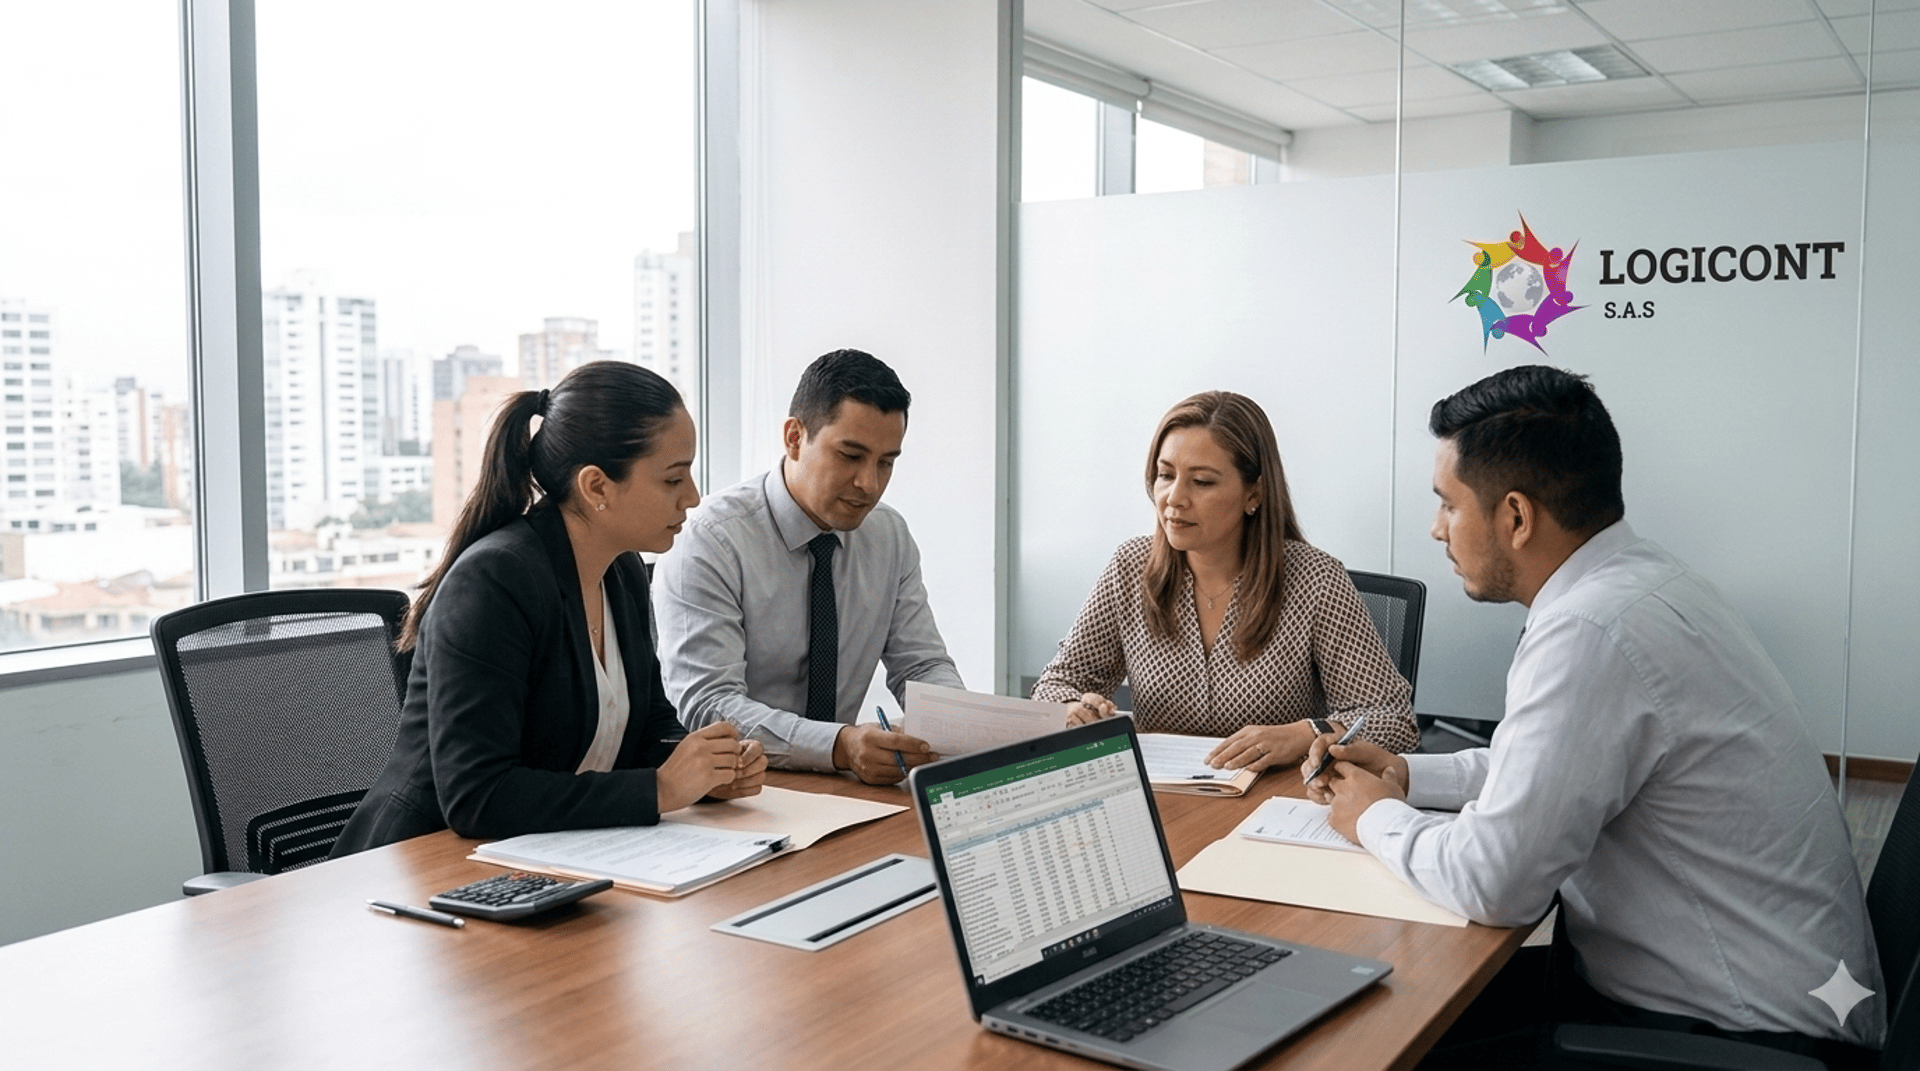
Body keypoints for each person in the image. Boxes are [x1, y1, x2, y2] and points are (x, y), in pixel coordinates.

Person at [1307, 365, 1884, 1067]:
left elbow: (1495, 884)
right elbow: (1558, 763)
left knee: (1371, 1032)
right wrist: (1403, 771)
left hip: (1733, 1034)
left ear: (1515, 516)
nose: (1435, 528)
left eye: (1448, 504)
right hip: (1767, 992)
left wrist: (1372, 815)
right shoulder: (1648, 580)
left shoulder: (1590, 630)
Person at [333, 361, 765, 856]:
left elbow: (647, 725)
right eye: (673, 479)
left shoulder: (620, 570)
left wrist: (706, 768)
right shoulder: (494, 582)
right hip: (421, 866)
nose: (692, 497)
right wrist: (660, 790)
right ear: (597, 486)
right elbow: (478, 796)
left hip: (546, 858)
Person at [1031, 391, 1418, 773]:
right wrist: (1073, 710)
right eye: (1166, 475)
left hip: (1275, 808)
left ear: (1255, 492)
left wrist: (1306, 734)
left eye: (1201, 482)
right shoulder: (1131, 567)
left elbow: (1393, 721)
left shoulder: (1314, 580)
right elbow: (1056, 684)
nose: (1174, 498)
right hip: (1165, 804)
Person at [654, 349, 963, 785]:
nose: (869, 484)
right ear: (794, 437)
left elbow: (922, 666)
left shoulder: (888, 536)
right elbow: (709, 703)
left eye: (886, 462)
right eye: (850, 456)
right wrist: (839, 745)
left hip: (842, 791)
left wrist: (949, 728)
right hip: (733, 790)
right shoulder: (711, 538)